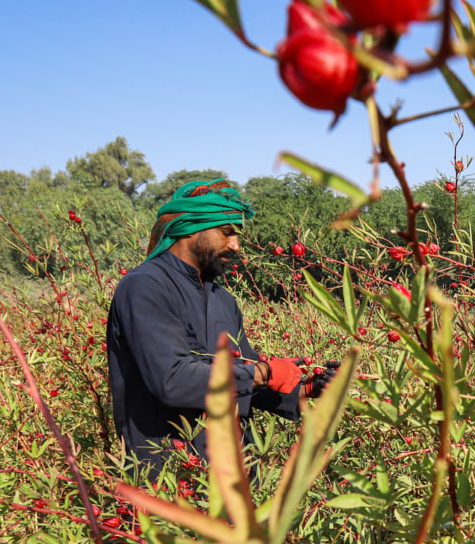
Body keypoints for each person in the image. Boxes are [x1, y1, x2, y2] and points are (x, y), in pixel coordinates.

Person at [106, 179, 335, 475]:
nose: (236, 245)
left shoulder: (223, 299)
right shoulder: (145, 287)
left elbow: (242, 377)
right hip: (170, 474)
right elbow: (173, 379)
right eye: (227, 232)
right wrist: (263, 372)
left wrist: (306, 388)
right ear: (190, 229)